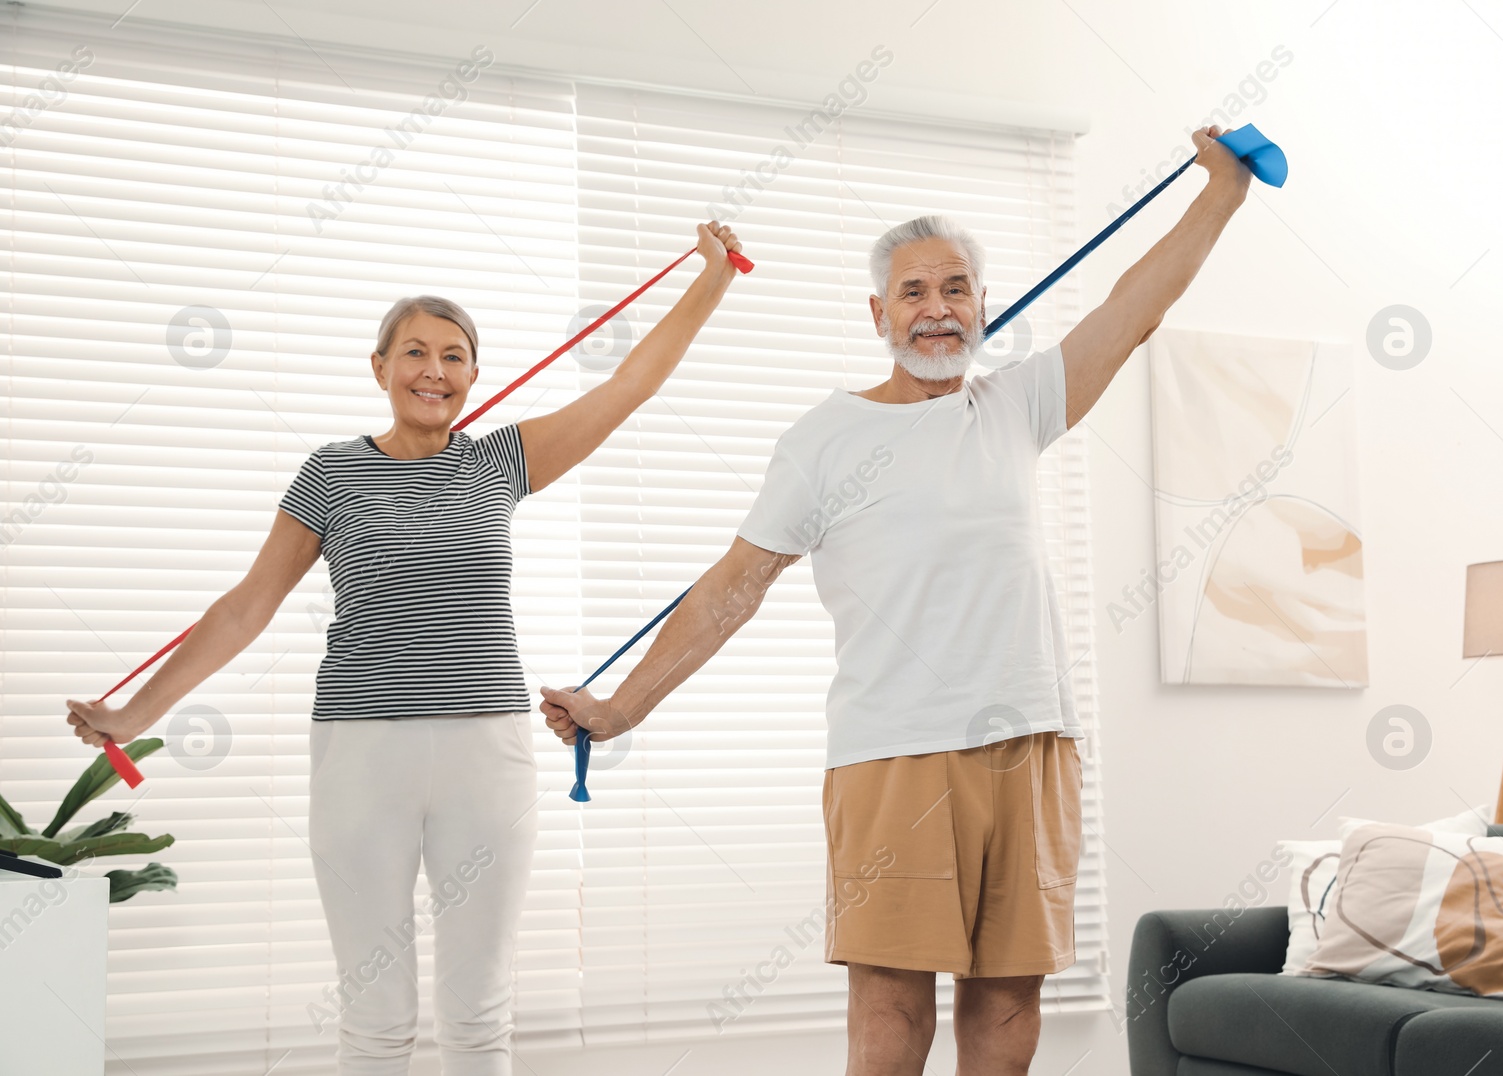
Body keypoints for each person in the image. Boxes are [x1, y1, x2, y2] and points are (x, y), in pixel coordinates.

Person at [538, 127, 1251, 1075]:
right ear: (878, 311)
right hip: (894, 750)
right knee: (891, 1010)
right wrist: (621, 707)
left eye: (956, 288)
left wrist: (1221, 192)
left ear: (983, 306)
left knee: (1007, 1003)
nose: (936, 309)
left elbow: (1134, 308)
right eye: (913, 292)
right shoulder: (824, 439)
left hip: (1032, 740)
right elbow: (731, 589)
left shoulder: (1015, 406)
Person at [64, 221, 745, 1076]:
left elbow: (631, 387)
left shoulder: (500, 461)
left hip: (484, 750)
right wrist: (134, 713)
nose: (435, 370)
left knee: (480, 1015)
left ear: (471, 375)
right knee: (375, 1015)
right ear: (380, 366)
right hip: (361, 750)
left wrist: (712, 277)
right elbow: (246, 608)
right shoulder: (331, 473)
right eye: (415, 352)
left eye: (454, 355)